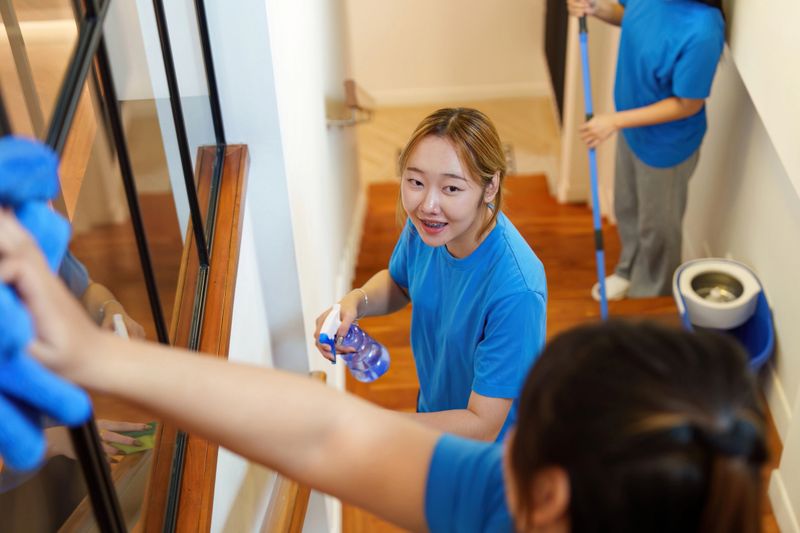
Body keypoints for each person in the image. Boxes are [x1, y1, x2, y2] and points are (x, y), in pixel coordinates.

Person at [0, 208, 767, 532]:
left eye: (528, 424)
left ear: (550, 492)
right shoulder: (517, 500)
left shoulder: (510, 496)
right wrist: (102, 357)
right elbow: (330, 433)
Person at [314, 108, 547, 442]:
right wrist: (356, 301)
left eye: (451, 188)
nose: (427, 204)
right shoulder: (428, 229)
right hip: (437, 418)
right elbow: (399, 283)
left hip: (491, 459)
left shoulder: (517, 290)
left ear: (491, 185)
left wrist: (371, 423)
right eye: (416, 182)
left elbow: (482, 425)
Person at [566, 0, 725, 300]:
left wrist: (614, 121)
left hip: (666, 148)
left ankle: (650, 296)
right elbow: (630, 15)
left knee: (658, 231)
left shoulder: (703, 29)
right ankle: (629, 271)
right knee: (627, 207)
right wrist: (597, 8)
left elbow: (688, 103)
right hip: (631, 129)